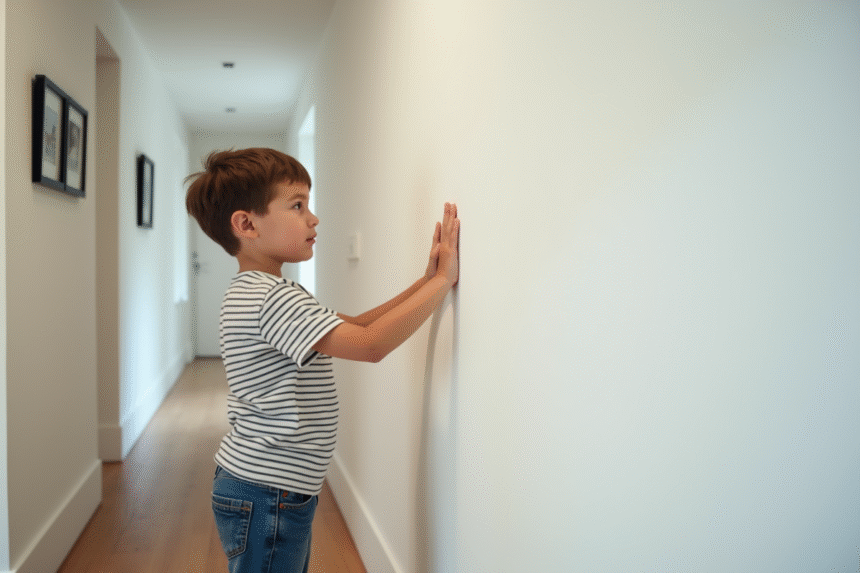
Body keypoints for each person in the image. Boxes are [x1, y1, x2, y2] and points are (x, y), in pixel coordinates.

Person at [185, 147, 459, 573]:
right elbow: (370, 345)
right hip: (268, 489)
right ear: (247, 224)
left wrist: (424, 282)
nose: (313, 218)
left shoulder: (260, 291)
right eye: (297, 206)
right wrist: (442, 282)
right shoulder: (270, 299)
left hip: (267, 485)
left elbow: (357, 324)